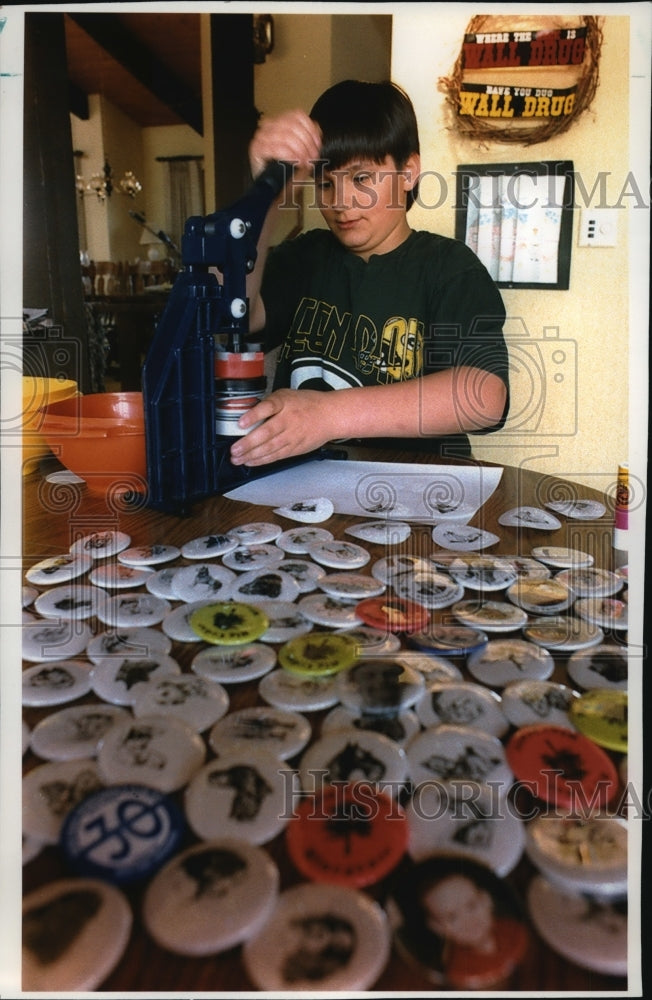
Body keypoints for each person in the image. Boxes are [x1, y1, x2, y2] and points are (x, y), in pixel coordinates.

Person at [229, 79, 510, 469]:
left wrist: (329, 416)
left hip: (418, 493)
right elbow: (234, 311)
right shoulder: (306, 256)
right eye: (325, 183)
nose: (340, 203)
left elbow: (483, 397)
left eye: (361, 179)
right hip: (304, 487)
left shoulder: (449, 268)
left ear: (408, 171)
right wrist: (267, 194)